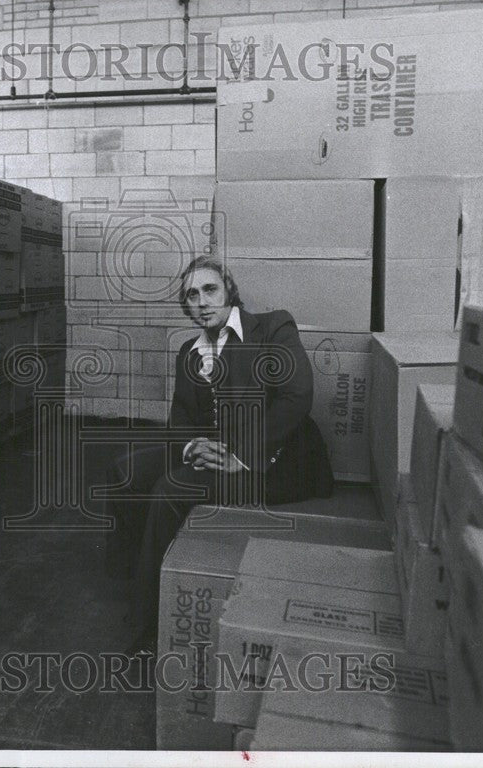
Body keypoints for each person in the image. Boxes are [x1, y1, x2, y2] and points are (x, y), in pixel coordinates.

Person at [104, 255, 334, 655]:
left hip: (276, 458)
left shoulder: (273, 326)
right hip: (218, 450)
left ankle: (148, 626)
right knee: (125, 472)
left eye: (210, 289)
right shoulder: (189, 352)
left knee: (170, 488)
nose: (202, 301)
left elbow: (296, 397)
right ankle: (139, 580)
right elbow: (181, 418)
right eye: (191, 295)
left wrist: (241, 455)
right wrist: (194, 444)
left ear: (229, 289)